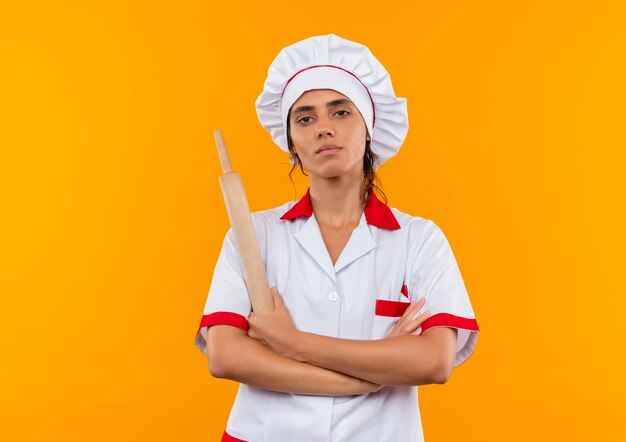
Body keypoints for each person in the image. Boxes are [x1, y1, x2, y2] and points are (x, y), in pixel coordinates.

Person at [194, 34, 479, 442]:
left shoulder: (419, 240)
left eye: (341, 112)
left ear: (369, 128)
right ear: (292, 143)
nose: (324, 128)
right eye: (305, 119)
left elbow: (434, 361)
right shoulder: (254, 234)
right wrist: (365, 379)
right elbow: (225, 355)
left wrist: (292, 342)